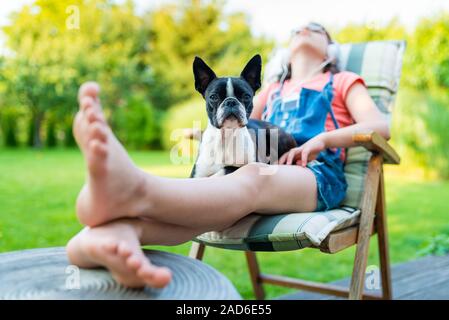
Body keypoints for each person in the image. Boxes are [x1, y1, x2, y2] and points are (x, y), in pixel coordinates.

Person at [66, 22, 390, 289]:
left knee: (250, 175)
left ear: (329, 48)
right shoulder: (272, 90)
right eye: (297, 29)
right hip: (266, 169)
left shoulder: (342, 80)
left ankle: (136, 188)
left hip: (317, 174)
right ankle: (110, 236)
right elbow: (241, 129)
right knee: (221, 205)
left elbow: (380, 126)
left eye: (315, 28)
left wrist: (322, 140)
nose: (304, 29)